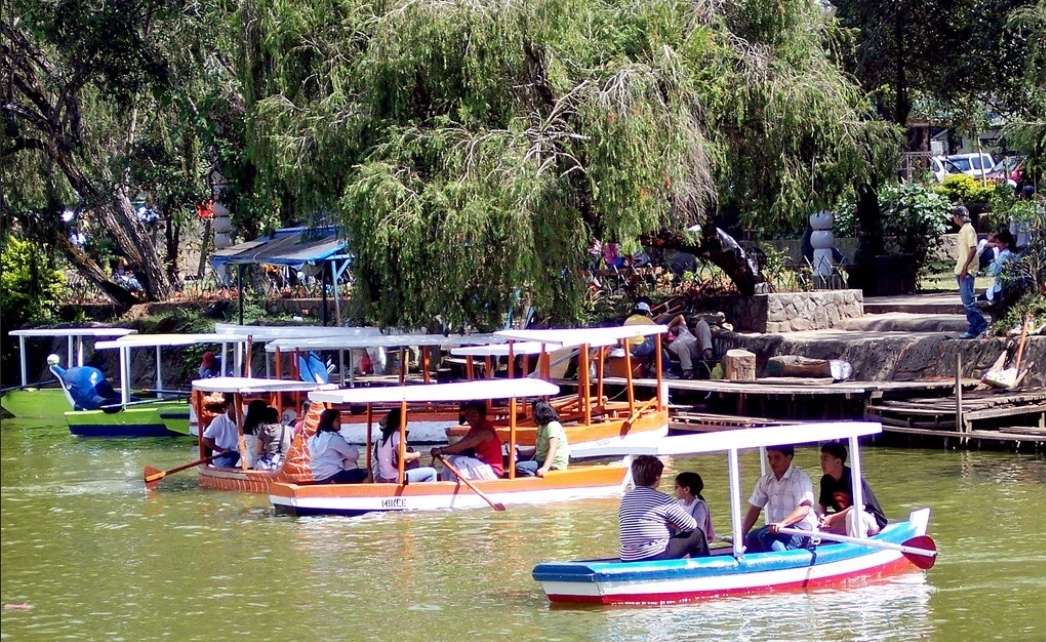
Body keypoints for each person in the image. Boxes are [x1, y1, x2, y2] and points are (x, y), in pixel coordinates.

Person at [619, 455, 708, 561]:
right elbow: (691, 526)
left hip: (627, 557)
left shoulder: (626, 499)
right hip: (654, 556)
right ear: (657, 477)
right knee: (697, 534)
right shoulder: (664, 500)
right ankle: (705, 568)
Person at [741, 445, 817, 553]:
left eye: (777, 457)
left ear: (789, 458)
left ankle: (784, 562)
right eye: (770, 458)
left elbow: (804, 508)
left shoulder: (799, 479)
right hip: (778, 530)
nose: (772, 462)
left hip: (802, 531)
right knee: (752, 537)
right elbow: (755, 508)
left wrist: (782, 524)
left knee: (766, 537)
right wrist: (742, 533)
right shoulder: (766, 481)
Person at [816, 443, 887, 537]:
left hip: (868, 519)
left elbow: (859, 507)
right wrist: (822, 517)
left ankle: (857, 546)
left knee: (853, 514)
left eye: (825, 459)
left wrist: (832, 518)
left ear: (838, 461)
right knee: (812, 514)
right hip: (845, 519)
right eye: (821, 459)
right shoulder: (826, 480)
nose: (822, 463)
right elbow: (822, 504)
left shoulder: (852, 477)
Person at [430, 400, 503, 480]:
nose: (469, 418)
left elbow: (465, 445)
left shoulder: (485, 431)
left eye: (473, 415)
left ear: (481, 415)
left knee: (460, 461)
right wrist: (443, 451)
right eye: (467, 415)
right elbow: (462, 444)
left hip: (492, 472)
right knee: (452, 458)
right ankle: (445, 483)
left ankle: (455, 487)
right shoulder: (475, 429)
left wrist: (441, 450)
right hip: (481, 467)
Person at [372, 407, 438, 483]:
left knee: (414, 464)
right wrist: (418, 454)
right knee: (432, 472)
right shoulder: (398, 435)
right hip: (395, 478)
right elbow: (404, 456)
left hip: (383, 477)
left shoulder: (383, 437)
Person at [952, 206, 987, 339]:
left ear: (958, 217)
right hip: (961, 269)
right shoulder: (963, 230)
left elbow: (973, 249)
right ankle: (973, 329)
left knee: (968, 302)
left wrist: (965, 267)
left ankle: (982, 326)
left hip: (966, 271)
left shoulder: (969, 229)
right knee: (966, 302)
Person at [309, 409, 368, 484]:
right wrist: (352, 447)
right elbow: (354, 456)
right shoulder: (333, 438)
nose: (340, 423)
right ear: (330, 422)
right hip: (333, 476)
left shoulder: (313, 438)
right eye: (337, 420)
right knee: (367, 473)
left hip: (318, 478)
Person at [515, 401, 570, 477]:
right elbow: (537, 450)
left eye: (533, 412)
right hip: (540, 459)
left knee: (520, 466)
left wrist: (545, 468)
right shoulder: (541, 426)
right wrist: (520, 452)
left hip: (553, 463)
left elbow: (552, 448)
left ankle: (533, 480)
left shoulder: (552, 426)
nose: (532, 415)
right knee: (516, 461)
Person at [674, 472, 715, 544]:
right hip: (683, 542)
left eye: (676, 487)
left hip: (695, 545)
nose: (674, 490)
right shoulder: (679, 503)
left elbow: (696, 531)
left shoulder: (699, 506)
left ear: (686, 489)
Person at [202, 394, 241, 468]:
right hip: (224, 456)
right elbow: (205, 439)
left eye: (240, 403)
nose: (239, 407)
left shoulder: (244, 419)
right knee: (227, 465)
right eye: (236, 404)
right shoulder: (219, 420)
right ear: (229, 405)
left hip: (241, 455)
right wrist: (221, 450)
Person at [983, 229, 1016, 306]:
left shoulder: (1004, 255)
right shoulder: (1012, 254)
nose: (997, 245)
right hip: (1007, 286)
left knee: (979, 299)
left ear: (1006, 244)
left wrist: (992, 263)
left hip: (1001, 288)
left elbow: (993, 271)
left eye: (999, 243)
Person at [254, 407, 292, 471]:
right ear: (277, 417)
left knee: (258, 464)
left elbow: (258, 450)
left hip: (269, 464)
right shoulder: (287, 429)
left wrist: (268, 450)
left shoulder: (264, 429)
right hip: (285, 463)